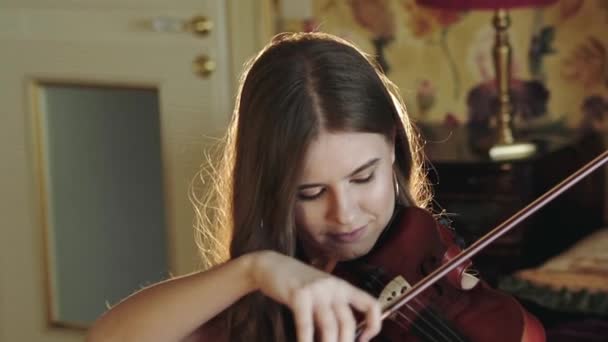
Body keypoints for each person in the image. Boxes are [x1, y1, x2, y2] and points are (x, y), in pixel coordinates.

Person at [86, 31, 452, 342]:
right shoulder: (258, 297)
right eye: (310, 192)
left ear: (392, 146)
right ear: (271, 189)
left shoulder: (438, 267)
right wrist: (252, 271)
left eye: (362, 177)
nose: (345, 213)